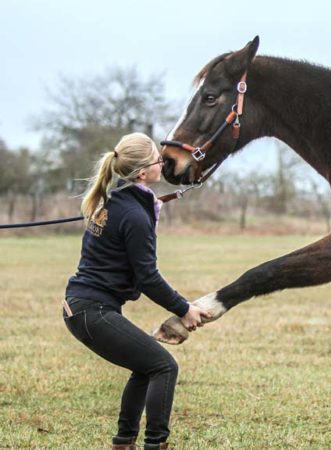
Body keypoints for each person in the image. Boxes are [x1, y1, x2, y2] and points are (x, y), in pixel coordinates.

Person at [63, 132, 209, 450]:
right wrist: (184, 308)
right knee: (163, 366)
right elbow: (148, 278)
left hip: (83, 308)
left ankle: (123, 442)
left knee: (146, 367)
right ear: (143, 172)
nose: (163, 162)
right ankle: (156, 444)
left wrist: (148, 209)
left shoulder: (115, 201)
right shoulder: (132, 213)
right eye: (159, 158)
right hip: (92, 311)